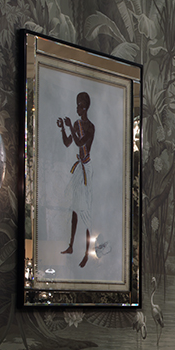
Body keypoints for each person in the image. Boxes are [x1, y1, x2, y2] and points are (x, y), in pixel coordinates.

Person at [57, 91, 95, 268]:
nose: (77, 108)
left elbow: (81, 143)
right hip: (79, 168)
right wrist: (63, 128)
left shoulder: (89, 127)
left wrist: (71, 126)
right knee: (73, 207)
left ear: (85, 107)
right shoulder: (77, 124)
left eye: (79, 105)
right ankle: (71, 246)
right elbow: (67, 143)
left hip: (86, 168)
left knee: (85, 211)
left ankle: (88, 253)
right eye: (77, 105)